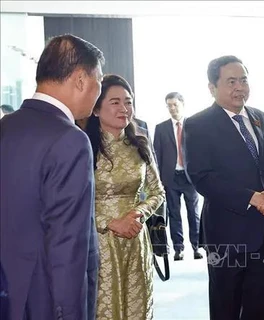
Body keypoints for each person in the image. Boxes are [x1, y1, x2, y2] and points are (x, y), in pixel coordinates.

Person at [0, 34, 104, 320]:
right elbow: (67, 246)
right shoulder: (69, 140)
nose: (99, 92)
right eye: (99, 81)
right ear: (81, 80)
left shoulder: (6, 127)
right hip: (41, 300)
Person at [182, 55, 264, 320]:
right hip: (226, 234)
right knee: (226, 306)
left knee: (257, 305)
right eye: (231, 81)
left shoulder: (260, 118)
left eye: (243, 80)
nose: (239, 87)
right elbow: (202, 178)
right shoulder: (198, 124)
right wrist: (251, 197)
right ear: (212, 87)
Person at [84, 74, 165, 320]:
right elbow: (74, 202)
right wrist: (109, 222)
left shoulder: (139, 144)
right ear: (96, 109)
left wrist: (136, 213)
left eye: (128, 102)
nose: (124, 109)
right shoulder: (83, 146)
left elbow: (158, 191)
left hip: (135, 238)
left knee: (137, 307)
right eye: (115, 102)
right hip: (99, 242)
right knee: (104, 308)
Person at [153, 92, 202, 261]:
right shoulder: (161, 128)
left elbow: (200, 152)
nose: (172, 108)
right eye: (169, 105)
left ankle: (196, 246)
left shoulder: (193, 125)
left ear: (182, 104)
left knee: (193, 213)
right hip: (170, 177)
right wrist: (158, 179)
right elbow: (156, 155)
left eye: (175, 104)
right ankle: (178, 248)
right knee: (174, 214)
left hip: (190, 177)